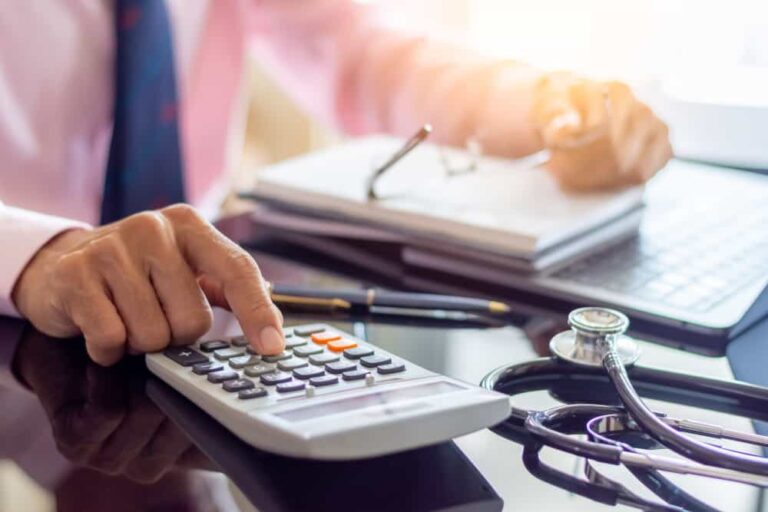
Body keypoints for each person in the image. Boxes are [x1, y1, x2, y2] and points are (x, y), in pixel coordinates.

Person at [0, 1, 672, 366]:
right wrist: (35, 252)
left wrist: (535, 101)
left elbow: (352, 45)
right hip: (22, 321)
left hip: (201, 306)